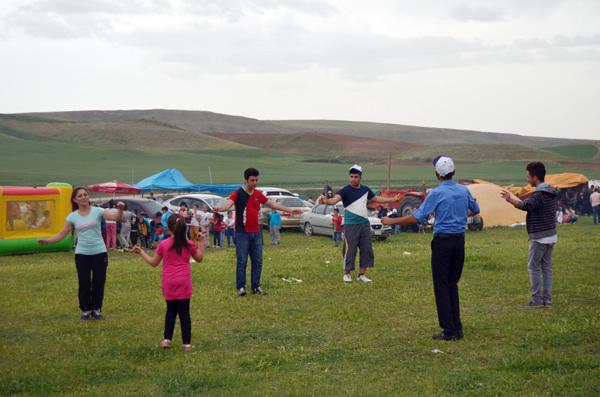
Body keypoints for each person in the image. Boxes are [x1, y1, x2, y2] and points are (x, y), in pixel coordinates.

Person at [382, 156, 480, 341]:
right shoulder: (463, 190)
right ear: (454, 172)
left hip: (443, 242)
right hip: (459, 241)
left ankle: (449, 331)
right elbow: (475, 209)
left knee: (441, 286)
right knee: (452, 284)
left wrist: (392, 220)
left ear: (437, 174)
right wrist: (459, 214)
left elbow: (416, 217)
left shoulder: (436, 193)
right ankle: (457, 327)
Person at [213, 167, 303, 296]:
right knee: (242, 260)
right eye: (252, 180)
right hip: (242, 233)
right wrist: (220, 208)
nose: (255, 183)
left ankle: (256, 286)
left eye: (256, 180)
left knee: (258, 260)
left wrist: (289, 210)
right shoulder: (237, 193)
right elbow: (228, 205)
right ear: (246, 180)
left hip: (256, 232)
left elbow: (272, 204)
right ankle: (241, 287)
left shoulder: (258, 194)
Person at [38, 187, 124, 320]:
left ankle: (96, 309)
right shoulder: (72, 216)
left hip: (99, 252)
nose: (84, 197)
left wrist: (120, 209)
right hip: (82, 254)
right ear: (74, 199)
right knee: (84, 282)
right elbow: (62, 234)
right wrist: (47, 241)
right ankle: (85, 309)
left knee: (98, 282)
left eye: (85, 195)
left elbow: (115, 217)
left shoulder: (98, 211)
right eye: (80, 196)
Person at [132, 214, 204, 351]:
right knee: (184, 314)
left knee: (170, 311)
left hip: (169, 282)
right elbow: (199, 258)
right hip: (184, 282)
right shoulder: (189, 244)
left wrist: (140, 251)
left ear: (168, 229)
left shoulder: (163, 244)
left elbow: (153, 263)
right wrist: (201, 242)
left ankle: (167, 340)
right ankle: (186, 344)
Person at [319, 164, 401, 283]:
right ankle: (347, 274)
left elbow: (376, 199)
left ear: (360, 177)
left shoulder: (365, 189)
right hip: (350, 224)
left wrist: (392, 199)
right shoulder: (345, 190)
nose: (353, 179)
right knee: (349, 249)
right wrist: (325, 201)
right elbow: (333, 200)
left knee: (366, 249)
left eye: (356, 176)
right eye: (351, 176)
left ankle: (361, 275)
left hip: (364, 223)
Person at [501, 161, 558, 308]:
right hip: (551, 235)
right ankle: (547, 300)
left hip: (539, 237)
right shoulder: (551, 192)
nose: (527, 179)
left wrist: (510, 199)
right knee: (546, 268)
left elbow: (526, 205)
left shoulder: (539, 194)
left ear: (535, 177)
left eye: (528, 176)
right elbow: (531, 204)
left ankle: (537, 301)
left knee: (533, 267)